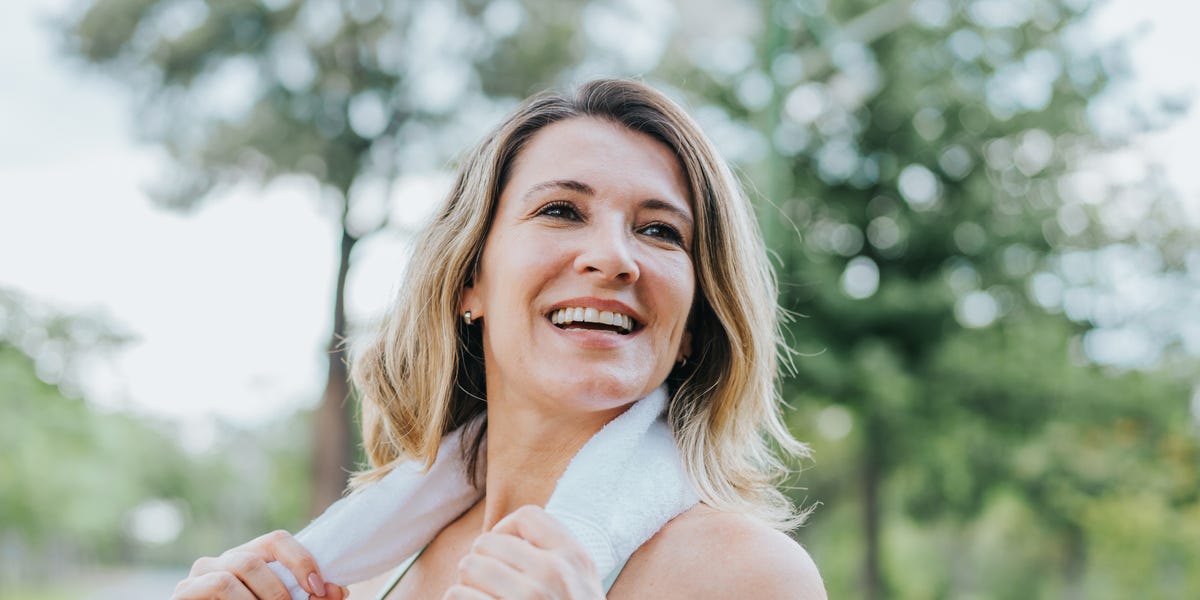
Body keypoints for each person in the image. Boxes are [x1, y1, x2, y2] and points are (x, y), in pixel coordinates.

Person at [170, 79, 826, 600]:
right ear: (469, 281)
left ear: (693, 326)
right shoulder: (361, 566)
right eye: (561, 211)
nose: (613, 258)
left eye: (660, 231)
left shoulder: (750, 576)